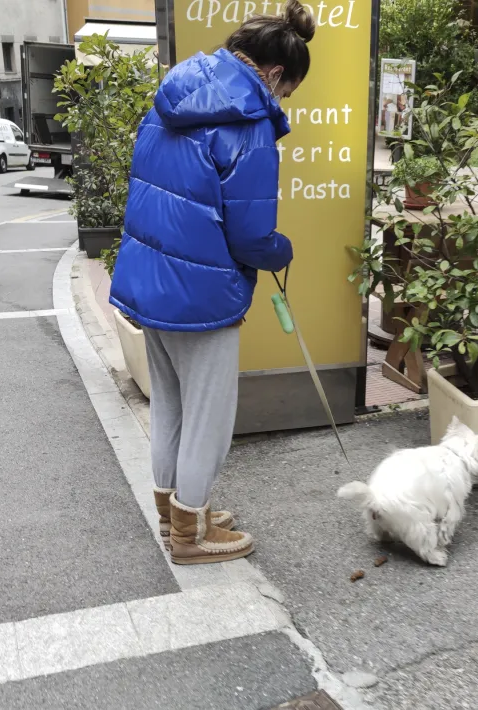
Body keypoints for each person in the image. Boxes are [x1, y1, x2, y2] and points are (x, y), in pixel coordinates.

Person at [109, 0, 314, 565]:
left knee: (171, 406)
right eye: (286, 91)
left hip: (150, 281)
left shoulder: (173, 96)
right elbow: (251, 236)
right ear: (273, 74)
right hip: (202, 294)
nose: (281, 102)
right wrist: (283, 251)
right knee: (209, 416)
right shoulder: (249, 124)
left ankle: (175, 514)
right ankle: (191, 534)